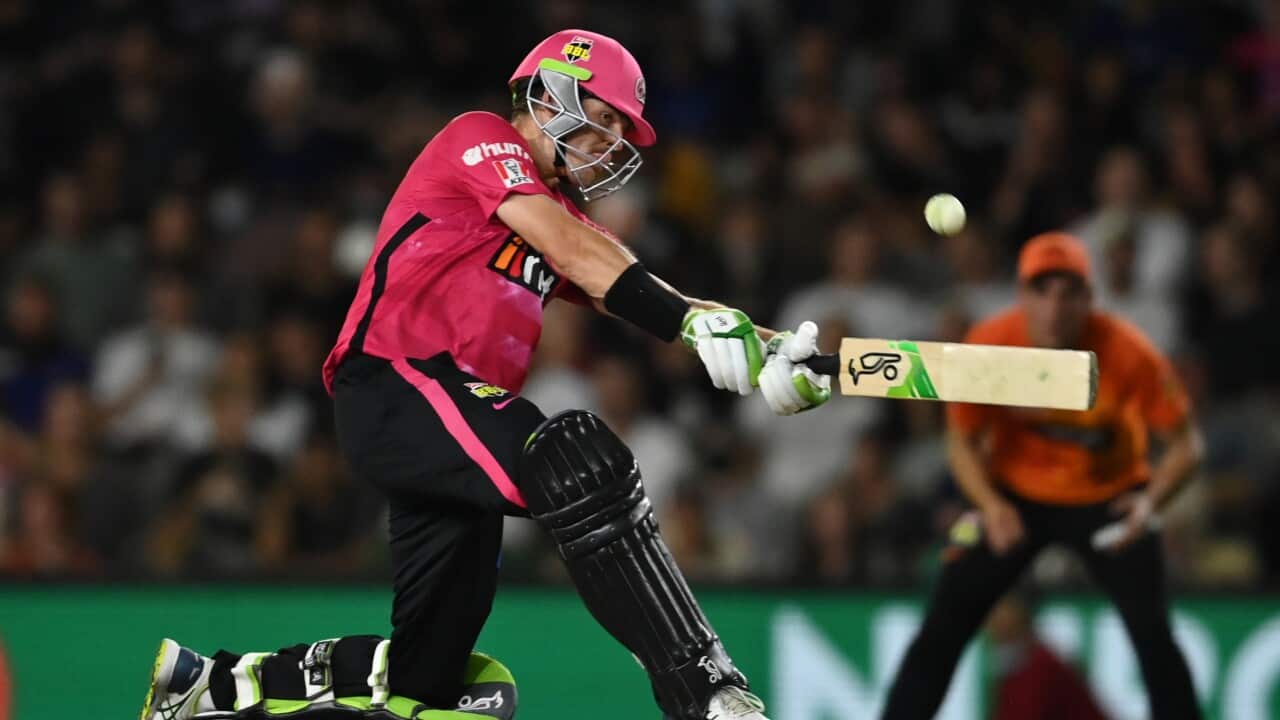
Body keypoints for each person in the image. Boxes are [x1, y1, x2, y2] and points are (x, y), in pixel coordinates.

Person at [139, 29, 831, 720]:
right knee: (578, 461)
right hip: (398, 381)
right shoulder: (482, 140)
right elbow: (579, 254)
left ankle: (211, 686)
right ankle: (706, 691)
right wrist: (689, 325)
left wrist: (769, 348)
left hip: (448, 419)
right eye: (608, 120)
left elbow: (636, 285)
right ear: (555, 93)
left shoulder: (559, 216)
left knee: (430, 682)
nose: (612, 143)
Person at [879, 232, 1204, 719]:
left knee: (1154, 639)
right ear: (1021, 295)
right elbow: (961, 441)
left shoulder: (1126, 352)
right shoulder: (990, 346)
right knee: (941, 631)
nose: (1055, 308)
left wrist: (1149, 503)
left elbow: (1187, 445)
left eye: (1068, 292)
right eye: (1042, 291)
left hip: (1111, 500)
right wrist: (991, 506)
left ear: (1089, 299)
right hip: (1015, 498)